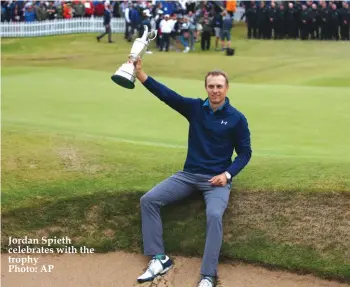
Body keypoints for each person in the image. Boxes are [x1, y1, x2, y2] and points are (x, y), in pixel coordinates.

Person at [134, 57, 252, 287]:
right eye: (211, 86)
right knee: (148, 200)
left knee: (215, 215)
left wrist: (227, 175)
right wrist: (140, 74)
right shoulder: (195, 108)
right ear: (206, 87)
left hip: (216, 180)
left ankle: (208, 275)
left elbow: (245, 153)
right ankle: (159, 259)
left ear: (227, 88)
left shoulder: (237, 118)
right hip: (188, 176)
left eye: (219, 86)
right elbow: (167, 95)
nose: (215, 90)